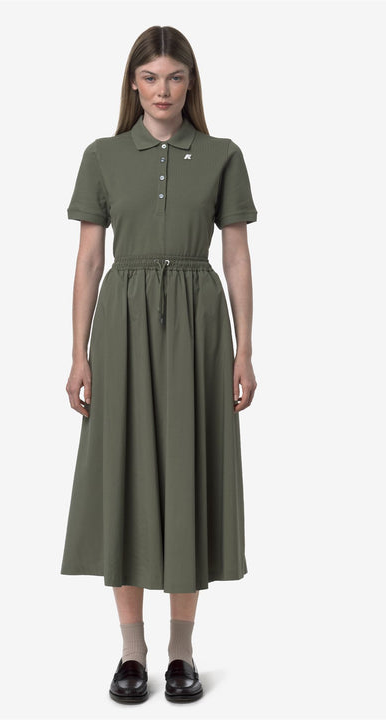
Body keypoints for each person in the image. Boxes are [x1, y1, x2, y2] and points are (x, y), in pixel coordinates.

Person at [61, 25, 258, 704]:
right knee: (125, 472)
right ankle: (130, 650)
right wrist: (78, 353)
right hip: (123, 325)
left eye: (175, 77)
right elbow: (89, 259)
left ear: (190, 82)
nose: (162, 90)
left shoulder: (223, 155)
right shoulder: (103, 156)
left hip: (200, 324)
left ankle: (180, 650)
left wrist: (245, 348)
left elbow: (236, 255)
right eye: (150, 77)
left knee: (186, 473)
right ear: (133, 83)